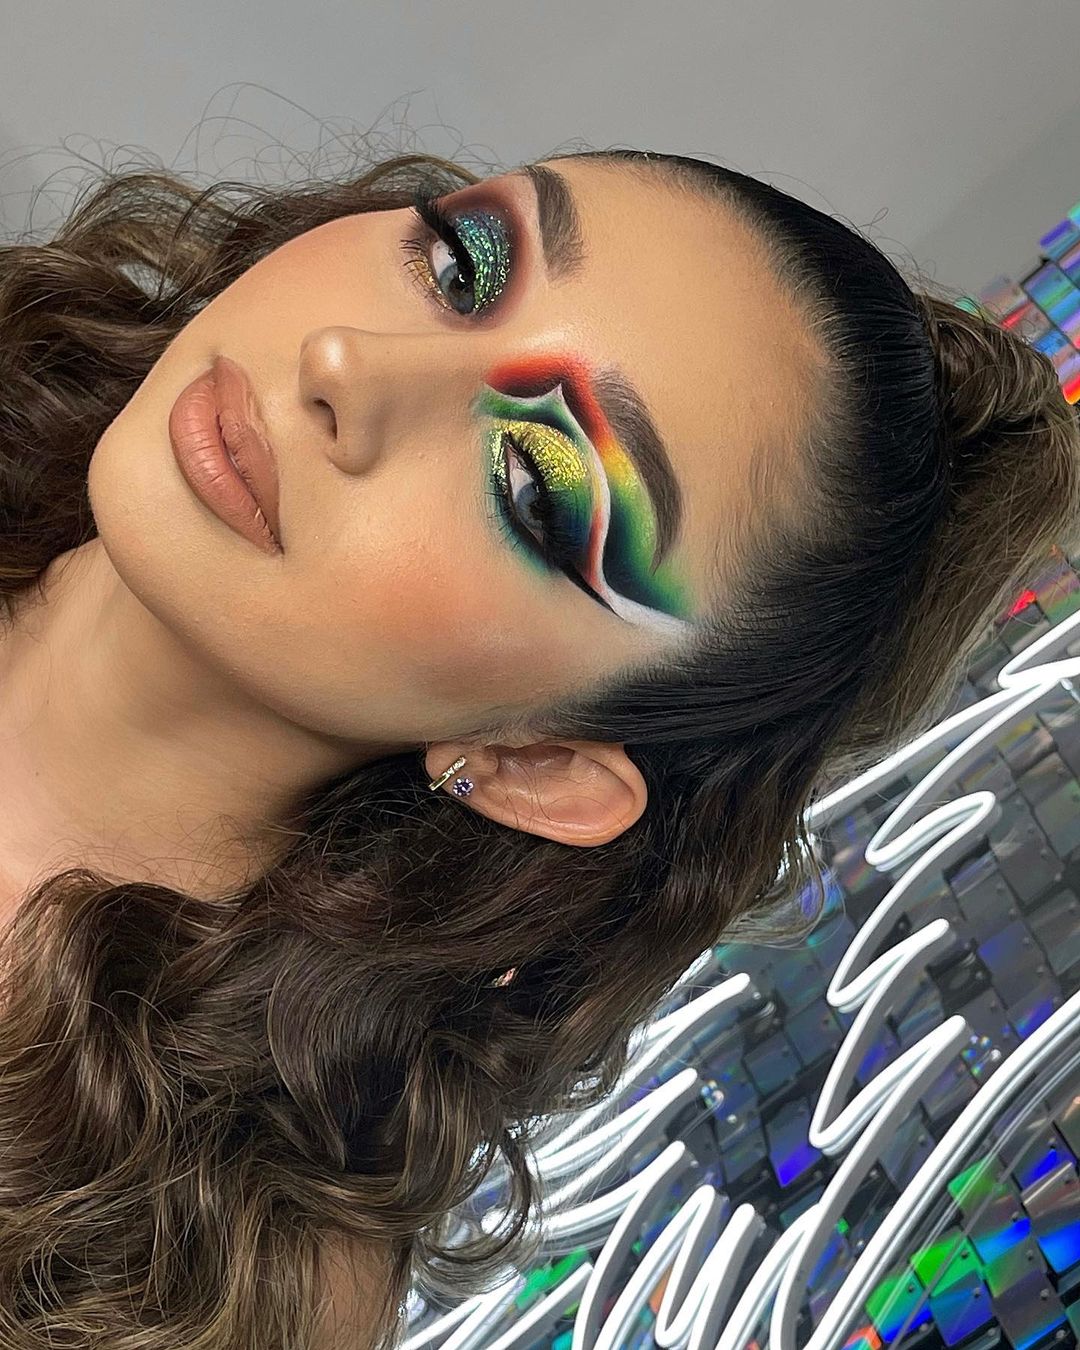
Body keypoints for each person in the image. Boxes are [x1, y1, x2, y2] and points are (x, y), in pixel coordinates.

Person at [0, 142, 1076, 1348]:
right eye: (462, 265)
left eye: (538, 487)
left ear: (541, 764)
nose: (347, 365)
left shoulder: (210, 1277)